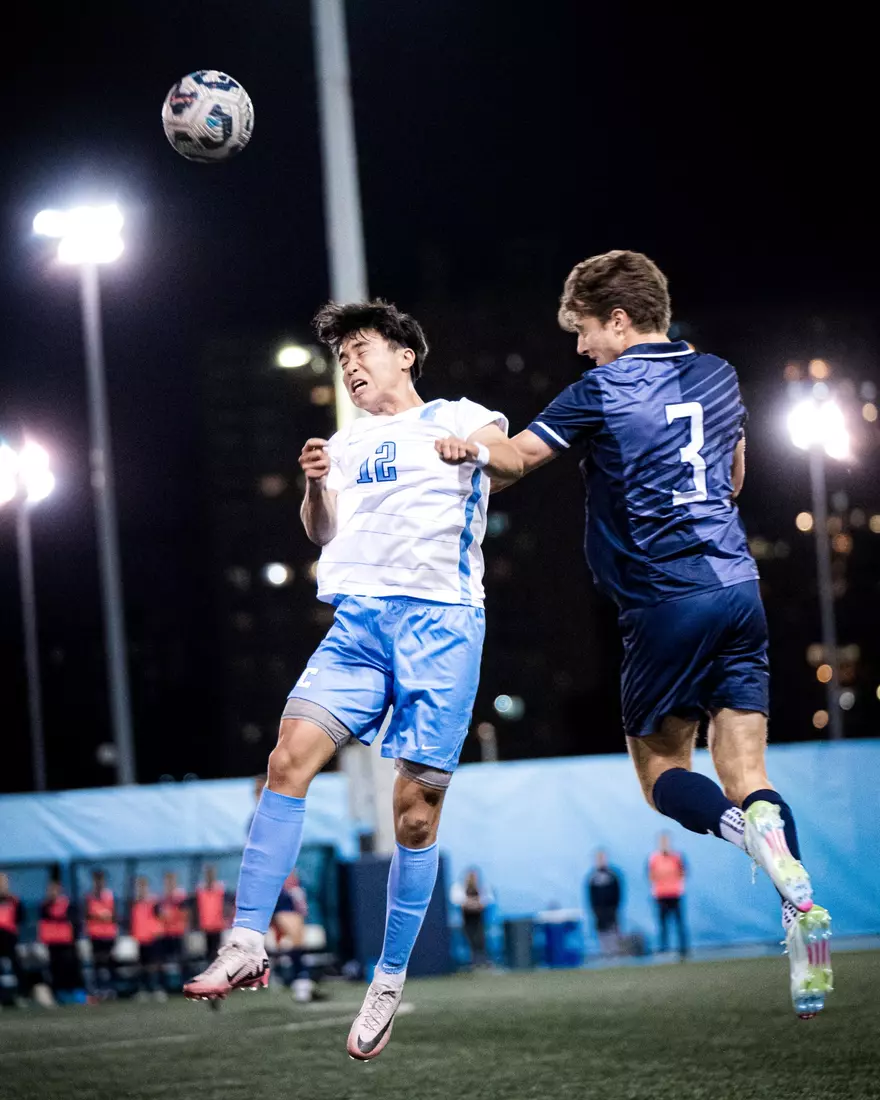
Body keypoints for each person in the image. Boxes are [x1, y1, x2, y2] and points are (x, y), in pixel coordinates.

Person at [498, 250, 832, 1017]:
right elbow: (735, 477)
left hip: (663, 601)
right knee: (748, 772)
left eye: (584, 330)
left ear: (618, 320)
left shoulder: (602, 388)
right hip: (738, 589)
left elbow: (514, 459)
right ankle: (806, 941)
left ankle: (753, 845)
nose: (580, 347)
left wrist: (454, 441)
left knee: (659, 777)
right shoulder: (719, 374)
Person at [185, 299, 521, 1059]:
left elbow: (515, 460)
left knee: (413, 818)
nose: (351, 366)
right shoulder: (344, 441)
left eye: (361, 349)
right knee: (285, 760)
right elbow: (323, 530)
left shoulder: (462, 412)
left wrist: (469, 451)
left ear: (405, 355)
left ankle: (390, 977)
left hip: (441, 626)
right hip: (359, 626)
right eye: (342, 359)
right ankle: (245, 939)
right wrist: (312, 486)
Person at [37, 880, 81, 1002]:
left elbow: (76, 924)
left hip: (67, 944)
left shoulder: (68, 905)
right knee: (55, 970)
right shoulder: (44, 907)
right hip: (52, 944)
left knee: (70, 968)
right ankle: (59, 994)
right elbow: (43, 924)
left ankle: (75, 993)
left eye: (54, 889)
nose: (52, 893)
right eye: (50, 890)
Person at [648, 833, 688, 959]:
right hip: (661, 895)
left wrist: (675, 883)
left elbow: (683, 872)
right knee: (663, 924)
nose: (664, 844)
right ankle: (664, 949)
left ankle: (683, 950)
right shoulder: (654, 858)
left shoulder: (677, 857)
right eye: (662, 842)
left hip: (675, 893)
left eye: (666, 841)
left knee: (679, 923)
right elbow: (650, 875)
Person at [450, 869, 493, 968]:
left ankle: (482, 961)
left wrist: (470, 903)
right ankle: (473, 962)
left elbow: (485, 902)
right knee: (470, 939)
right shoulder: (459, 888)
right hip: (465, 919)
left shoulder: (482, 887)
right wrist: (474, 903)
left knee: (480, 939)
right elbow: (460, 902)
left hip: (480, 919)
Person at [85, 869, 118, 997]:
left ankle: (111, 988)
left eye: (101, 879)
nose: (98, 882)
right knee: (97, 961)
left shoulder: (110, 896)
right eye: (96, 879)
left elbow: (115, 915)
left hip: (109, 934)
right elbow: (87, 915)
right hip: (95, 934)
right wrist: (99, 917)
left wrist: (107, 916)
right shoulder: (89, 897)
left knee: (109, 960)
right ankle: (98, 989)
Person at [130, 876, 164, 1000]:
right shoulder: (135, 903)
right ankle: (143, 989)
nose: (141, 889)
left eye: (143, 886)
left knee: (153, 965)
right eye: (139, 886)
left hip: (152, 937)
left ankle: (155, 988)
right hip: (140, 938)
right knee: (142, 965)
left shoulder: (153, 901)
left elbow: (160, 917)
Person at [586, 851, 622, 957]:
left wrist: (615, 906)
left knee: (613, 930)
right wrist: (594, 909)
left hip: (612, 908)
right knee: (602, 931)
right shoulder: (593, 877)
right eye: (598, 859)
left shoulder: (613, 875)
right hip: (598, 910)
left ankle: (615, 953)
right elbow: (591, 894)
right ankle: (606, 953)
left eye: (602, 858)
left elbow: (618, 892)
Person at [158, 872, 189, 992]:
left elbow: (184, 914)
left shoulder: (179, 897)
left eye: (171, 880)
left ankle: (184, 984)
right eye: (167, 881)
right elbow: (160, 916)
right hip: (166, 933)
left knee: (181, 960)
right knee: (165, 961)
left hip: (178, 932)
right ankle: (167, 986)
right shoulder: (162, 898)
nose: (169, 884)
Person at [195, 865, 230, 962]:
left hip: (217, 926)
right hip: (205, 927)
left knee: (218, 953)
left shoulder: (220, 890)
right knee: (207, 953)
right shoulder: (201, 891)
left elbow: (226, 907)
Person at [0, 872, 25, 1007]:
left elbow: (21, 917)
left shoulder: (13, 900)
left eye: (3, 882)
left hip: (9, 937)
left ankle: (21, 994)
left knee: (16, 965)